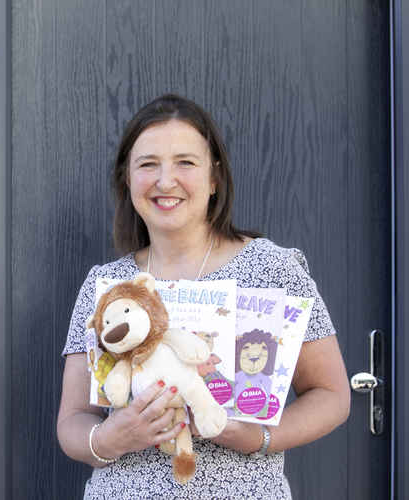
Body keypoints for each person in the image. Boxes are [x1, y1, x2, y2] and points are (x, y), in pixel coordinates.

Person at [56, 94, 350, 499]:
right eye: (147, 165)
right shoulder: (107, 287)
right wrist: (110, 438)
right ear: (127, 179)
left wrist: (259, 438)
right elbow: (72, 421)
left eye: (185, 163)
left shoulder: (273, 269)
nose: (165, 180)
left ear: (214, 178)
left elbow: (332, 396)